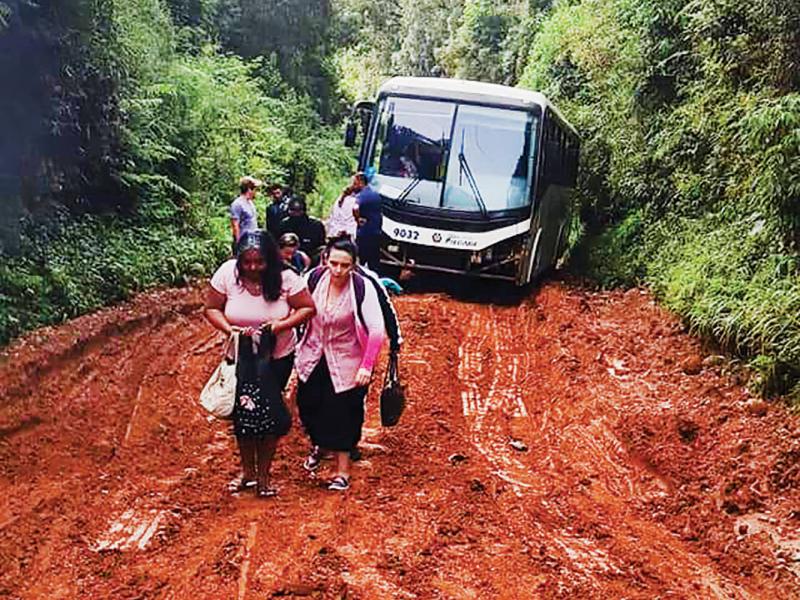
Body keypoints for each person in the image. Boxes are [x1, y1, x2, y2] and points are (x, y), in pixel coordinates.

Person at [204, 230, 316, 498]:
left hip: (276, 357)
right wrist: (230, 329)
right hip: (240, 356)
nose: (253, 268)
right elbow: (211, 308)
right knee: (242, 413)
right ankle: (248, 473)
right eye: (247, 263)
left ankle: (264, 475)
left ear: (270, 260)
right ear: (238, 261)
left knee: (268, 414)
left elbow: (307, 308)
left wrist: (280, 325)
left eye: (259, 262)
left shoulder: (287, 277)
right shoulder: (227, 274)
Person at [294, 237, 385, 491]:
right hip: (312, 355)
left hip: (347, 359)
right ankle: (320, 444)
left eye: (345, 265)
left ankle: (342, 471)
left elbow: (377, 329)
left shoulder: (362, 288)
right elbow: (294, 309)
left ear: (353, 265)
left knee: (342, 414)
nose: (338, 270)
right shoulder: (312, 280)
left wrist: (367, 365)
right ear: (325, 260)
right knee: (308, 405)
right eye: (333, 263)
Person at [279, 196, 326, 264]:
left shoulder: (316, 225)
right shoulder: (284, 224)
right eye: (293, 211)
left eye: (298, 211)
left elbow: (321, 246)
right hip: (289, 258)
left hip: (312, 256)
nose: (296, 214)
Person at [352, 172, 382, 272]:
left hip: (364, 234)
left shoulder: (362, 195)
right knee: (374, 262)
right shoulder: (376, 194)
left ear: (361, 182)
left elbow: (355, 208)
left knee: (359, 261)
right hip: (376, 233)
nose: (353, 186)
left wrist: (357, 219)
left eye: (355, 183)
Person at [230, 176, 262, 246]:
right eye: (255, 189)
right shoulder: (237, 204)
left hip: (253, 241)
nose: (256, 192)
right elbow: (235, 226)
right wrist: (238, 244)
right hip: (244, 242)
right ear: (249, 189)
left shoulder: (250, 203)